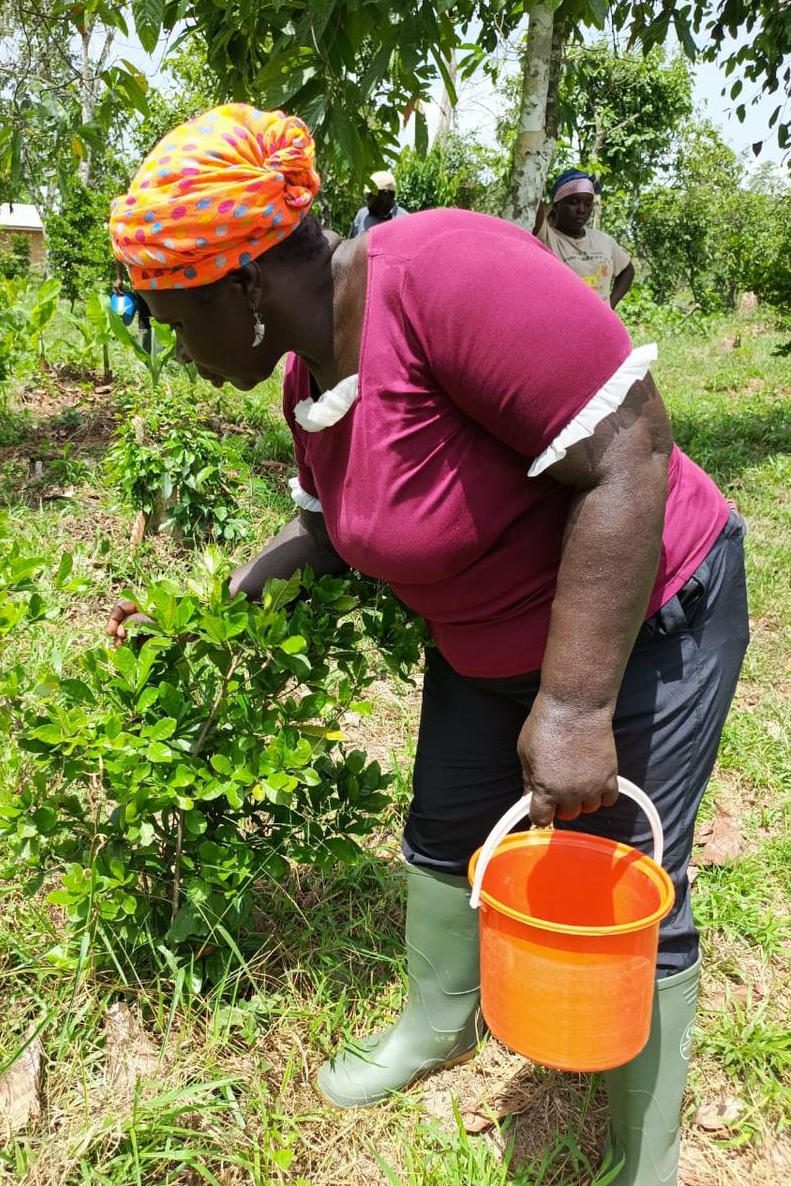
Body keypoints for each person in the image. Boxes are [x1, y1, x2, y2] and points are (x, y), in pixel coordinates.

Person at [107, 105, 748, 1186]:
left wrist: (575, 706)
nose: (177, 351)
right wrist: (231, 591)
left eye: (175, 321)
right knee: (445, 835)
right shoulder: (310, 381)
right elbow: (333, 529)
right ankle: (441, 1023)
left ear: (242, 287)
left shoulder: (444, 276)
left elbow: (632, 456)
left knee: (625, 873)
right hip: (480, 647)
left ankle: (647, 1153)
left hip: (645, 621)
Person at [534, 169, 634, 309]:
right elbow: (533, 198)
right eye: (573, 202)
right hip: (564, 320)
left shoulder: (604, 240)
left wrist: (609, 307)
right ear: (556, 206)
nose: (581, 210)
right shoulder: (546, 238)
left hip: (600, 321)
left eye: (588, 204)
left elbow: (627, 270)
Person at [349, 169, 407, 237]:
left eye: (370, 194)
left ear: (386, 194)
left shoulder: (405, 221)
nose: (367, 198)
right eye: (366, 194)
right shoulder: (362, 215)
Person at [113, 260, 152, 353]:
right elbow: (118, 252)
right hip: (140, 278)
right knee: (144, 315)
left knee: (165, 316)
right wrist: (119, 277)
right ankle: (146, 355)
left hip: (166, 277)